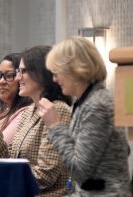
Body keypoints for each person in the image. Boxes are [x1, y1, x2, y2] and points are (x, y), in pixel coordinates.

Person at [39, 36, 131, 196]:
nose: (54, 79)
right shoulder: (85, 101)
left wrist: (55, 126)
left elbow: (79, 171)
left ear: (75, 70)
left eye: (57, 72)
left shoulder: (98, 105)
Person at [0, 46, 73, 196]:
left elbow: (45, 176)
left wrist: (3, 178)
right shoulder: (29, 111)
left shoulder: (57, 110)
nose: (18, 78)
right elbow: (10, 161)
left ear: (41, 74)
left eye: (23, 71)